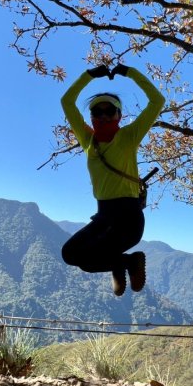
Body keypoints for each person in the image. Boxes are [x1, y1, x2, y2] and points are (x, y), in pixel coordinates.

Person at [60, 63, 165, 296]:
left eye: (110, 111)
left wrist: (130, 71)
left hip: (128, 219)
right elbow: (67, 102)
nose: (104, 116)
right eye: (98, 112)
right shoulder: (88, 140)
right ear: (91, 117)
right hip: (103, 217)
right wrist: (87, 76)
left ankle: (124, 263)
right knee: (72, 255)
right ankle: (124, 263)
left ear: (120, 115)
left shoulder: (129, 136)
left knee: (87, 257)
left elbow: (157, 101)